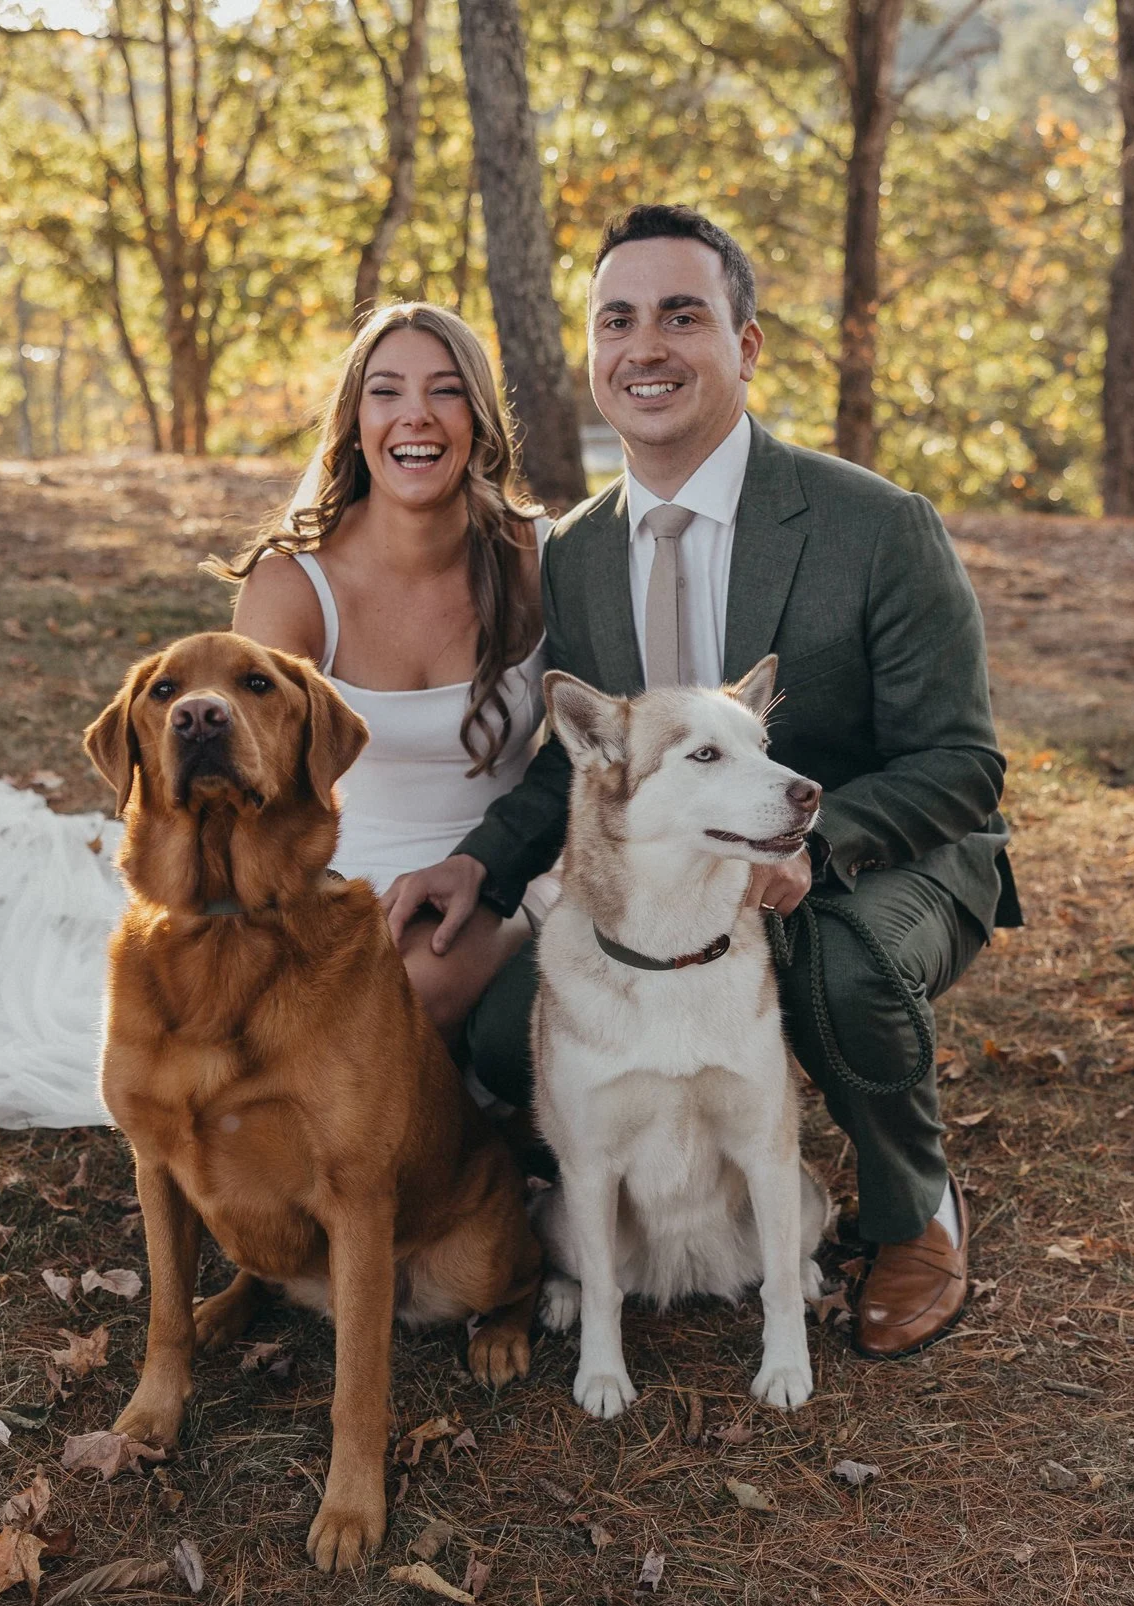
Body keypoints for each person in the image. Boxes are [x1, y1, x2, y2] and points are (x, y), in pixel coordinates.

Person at [384, 205, 1022, 1360]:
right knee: (496, 1026)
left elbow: (962, 762)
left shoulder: (874, 526)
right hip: (676, 877)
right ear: (589, 352)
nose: (646, 347)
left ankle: (909, 1206)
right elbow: (580, 763)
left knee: (838, 966)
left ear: (745, 344)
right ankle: (631, 1198)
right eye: (616, 320)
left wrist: (806, 851)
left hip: (876, 855)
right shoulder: (574, 549)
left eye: (682, 315)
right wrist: (477, 863)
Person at [215, 302, 553, 1043]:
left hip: (503, 872)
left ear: (480, 417)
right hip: (340, 882)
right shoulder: (294, 586)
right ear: (355, 420)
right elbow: (257, 800)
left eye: (445, 390)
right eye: (387, 391)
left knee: (401, 995)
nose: (416, 417)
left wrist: (494, 867)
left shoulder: (541, 556)